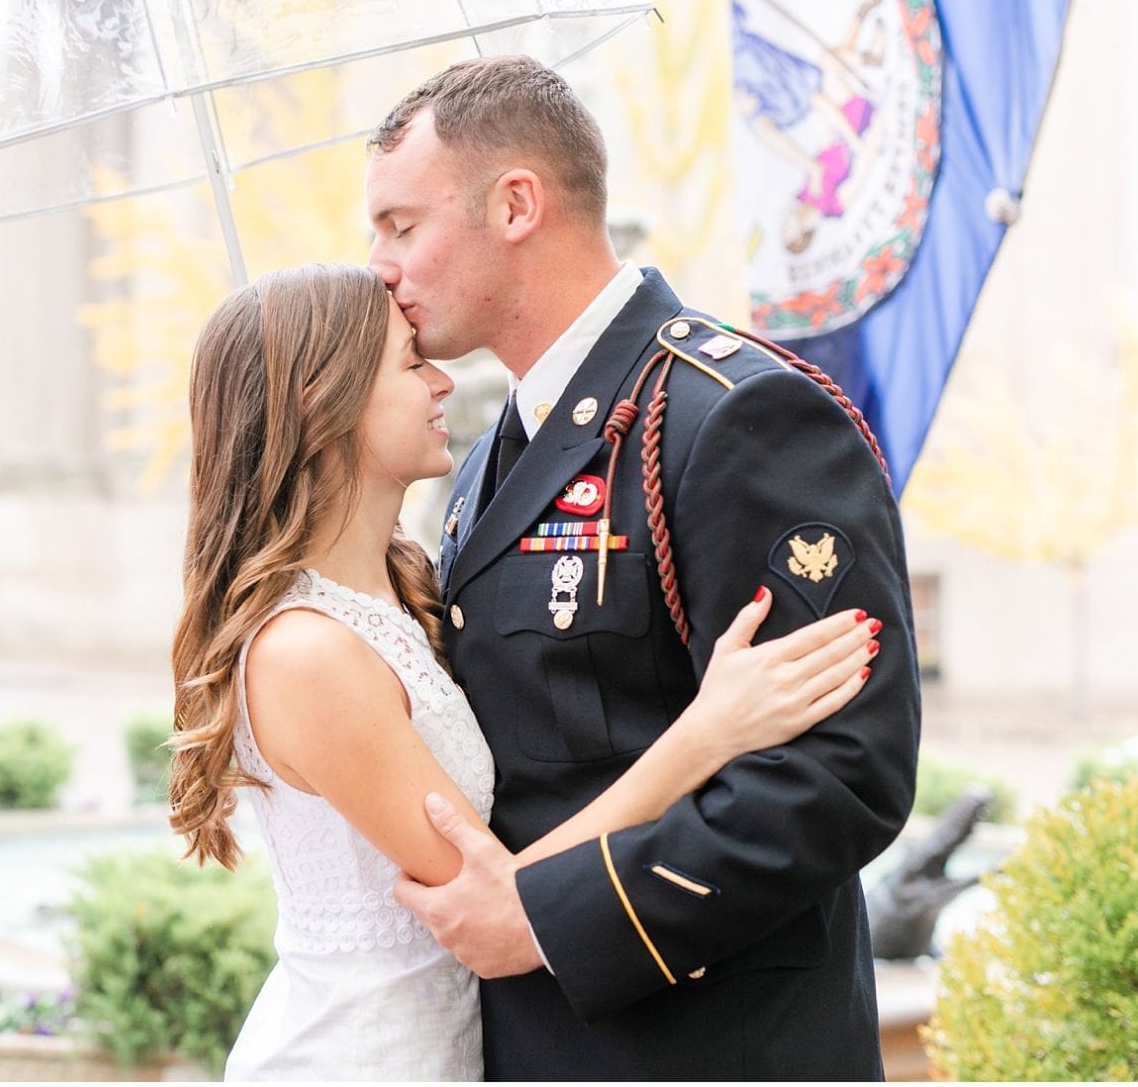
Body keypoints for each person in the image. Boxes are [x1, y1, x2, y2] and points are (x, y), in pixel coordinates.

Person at [167, 261, 884, 1080]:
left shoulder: (406, 584)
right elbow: (499, 896)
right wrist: (709, 731)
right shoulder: (307, 652)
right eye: (409, 363)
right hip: (364, 1054)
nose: (442, 381)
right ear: (319, 401)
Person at [366, 56, 920, 1080]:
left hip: (709, 1043)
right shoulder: (488, 450)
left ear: (516, 204)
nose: (381, 267)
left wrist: (548, 921)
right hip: (527, 1041)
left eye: (402, 225)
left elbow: (842, 773)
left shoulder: (735, 414)